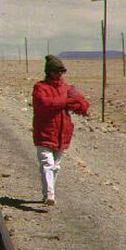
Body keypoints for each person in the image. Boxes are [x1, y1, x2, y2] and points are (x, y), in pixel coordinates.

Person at [32, 55, 89, 206]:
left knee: (55, 166)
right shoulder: (40, 87)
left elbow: (83, 105)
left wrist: (75, 103)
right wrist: (66, 102)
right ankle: (50, 194)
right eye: (56, 71)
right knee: (47, 164)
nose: (59, 75)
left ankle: (48, 194)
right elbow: (44, 104)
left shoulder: (67, 88)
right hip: (45, 132)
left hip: (62, 134)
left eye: (61, 72)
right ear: (49, 72)